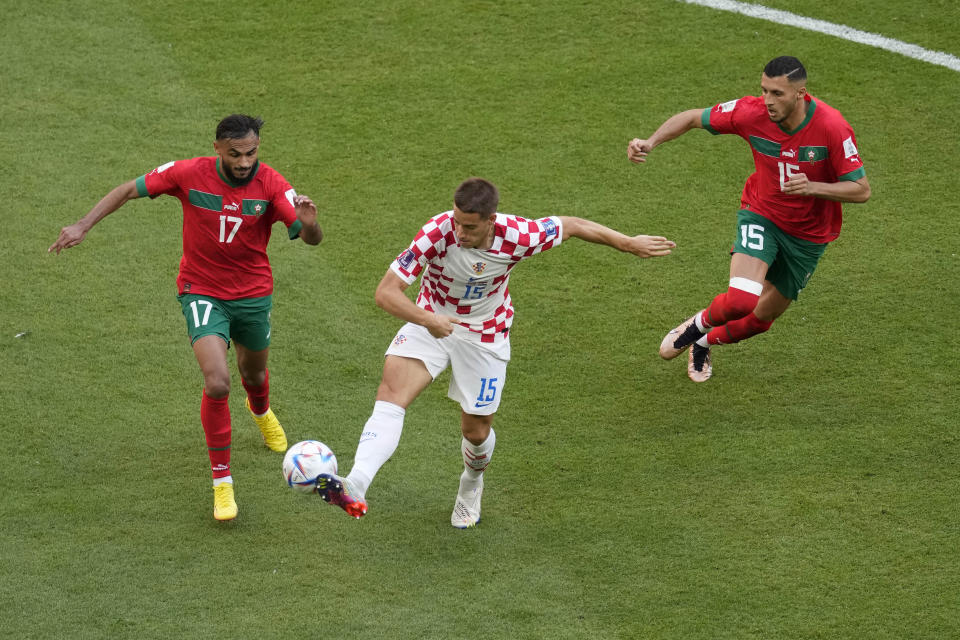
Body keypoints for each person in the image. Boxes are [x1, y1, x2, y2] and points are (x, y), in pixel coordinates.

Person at [314, 177, 675, 528]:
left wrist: (627, 243)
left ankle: (471, 486)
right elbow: (386, 292)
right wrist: (428, 319)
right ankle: (356, 482)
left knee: (475, 430)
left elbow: (574, 225)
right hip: (431, 320)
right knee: (391, 393)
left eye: (469, 227)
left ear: (491, 221)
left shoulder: (518, 235)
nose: (460, 232)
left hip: (486, 334)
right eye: (457, 222)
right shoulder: (437, 233)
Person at [49, 114, 323, 521]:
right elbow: (128, 189)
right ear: (217, 149)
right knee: (217, 382)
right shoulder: (188, 174)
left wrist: (310, 224)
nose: (245, 162)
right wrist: (83, 224)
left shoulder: (273, 185)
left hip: (252, 295)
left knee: (253, 377)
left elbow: (311, 237)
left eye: (251, 153)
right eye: (235, 154)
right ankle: (223, 484)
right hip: (202, 290)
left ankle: (261, 411)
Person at [627, 56, 870, 382]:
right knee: (741, 300)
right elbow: (691, 119)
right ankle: (696, 324)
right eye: (764, 90)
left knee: (760, 321)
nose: (768, 101)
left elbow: (861, 189)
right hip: (762, 215)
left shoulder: (831, 126)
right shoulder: (750, 112)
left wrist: (812, 187)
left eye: (778, 94)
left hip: (809, 237)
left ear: (801, 93)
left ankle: (702, 341)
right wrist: (650, 141)